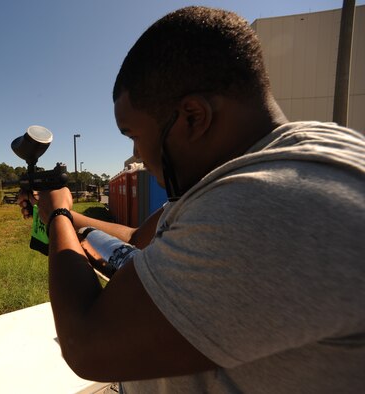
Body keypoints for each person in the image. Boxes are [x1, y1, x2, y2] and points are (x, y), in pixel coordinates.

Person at [19, 6, 365, 393]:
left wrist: (59, 217)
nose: (137, 155)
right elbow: (137, 238)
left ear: (193, 117)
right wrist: (54, 209)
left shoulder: (270, 205)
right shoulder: (258, 171)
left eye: (134, 135)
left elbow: (87, 345)